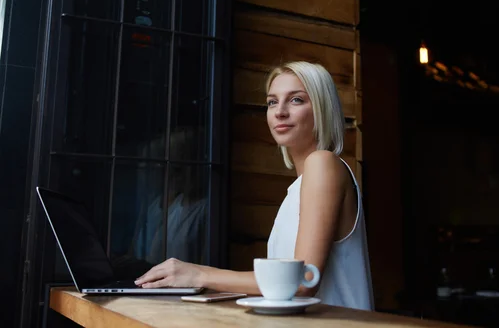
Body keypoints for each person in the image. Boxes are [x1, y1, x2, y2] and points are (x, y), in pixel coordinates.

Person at [134, 61, 374, 310]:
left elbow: (302, 281)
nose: (279, 111)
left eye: (296, 100)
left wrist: (198, 275)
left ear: (322, 109)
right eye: (272, 102)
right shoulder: (299, 188)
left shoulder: (323, 163)